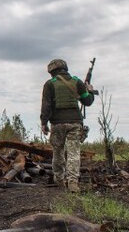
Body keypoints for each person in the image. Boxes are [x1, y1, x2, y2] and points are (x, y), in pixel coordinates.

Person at [40, 59, 95, 192]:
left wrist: (43, 123)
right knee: (73, 153)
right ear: (65, 68)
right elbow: (87, 101)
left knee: (57, 152)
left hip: (57, 124)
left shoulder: (49, 84)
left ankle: (59, 180)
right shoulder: (76, 81)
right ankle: (73, 183)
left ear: (51, 72)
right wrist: (90, 91)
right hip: (75, 122)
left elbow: (46, 106)